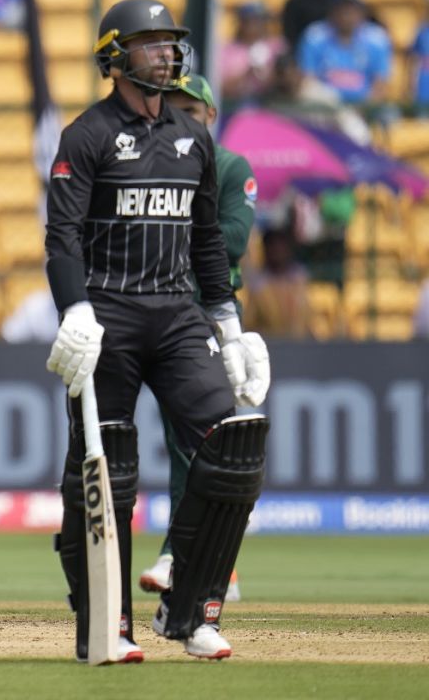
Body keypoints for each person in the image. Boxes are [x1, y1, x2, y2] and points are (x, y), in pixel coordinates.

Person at [44, 0, 272, 664]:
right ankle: (104, 624)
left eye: (171, 43)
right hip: (109, 311)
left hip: (176, 314)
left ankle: (192, 609)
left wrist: (227, 323)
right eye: (150, 44)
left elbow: (206, 243)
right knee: (102, 470)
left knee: (234, 444)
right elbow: (61, 238)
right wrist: (75, 308)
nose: (166, 55)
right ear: (115, 56)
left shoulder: (193, 139)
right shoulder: (85, 136)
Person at [138, 73, 258, 605]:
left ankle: (189, 557)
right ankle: (198, 559)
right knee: (185, 441)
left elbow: (233, 239)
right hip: (154, 309)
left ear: (211, 115)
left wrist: (169, 218)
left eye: (194, 109)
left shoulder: (231, 167)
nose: (183, 118)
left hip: (208, 315)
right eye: (174, 108)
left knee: (208, 440)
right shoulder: (147, 165)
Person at [297, 0, 392, 109]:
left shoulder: (377, 39)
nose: (346, 16)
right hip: (324, 107)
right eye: (341, 10)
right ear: (332, 13)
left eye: (351, 11)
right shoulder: (315, 36)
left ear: (362, 14)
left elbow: (380, 85)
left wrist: (361, 109)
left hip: (363, 108)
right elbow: (307, 80)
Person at [219, 2, 286, 108]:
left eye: (260, 20)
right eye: (250, 20)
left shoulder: (277, 47)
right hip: (235, 108)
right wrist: (246, 75)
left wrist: (268, 78)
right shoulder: (227, 50)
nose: (255, 25)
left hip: (272, 107)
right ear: (241, 23)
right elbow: (219, 87)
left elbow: (287, 81)